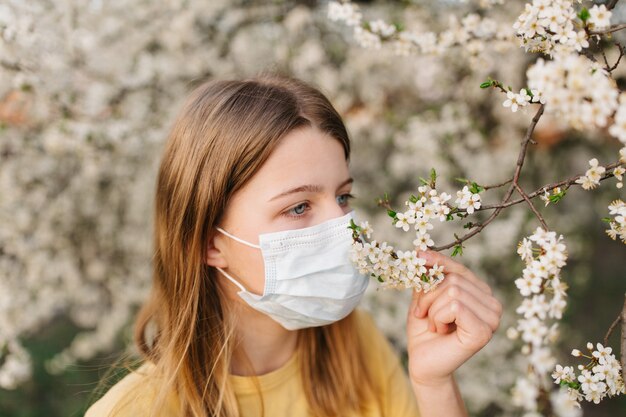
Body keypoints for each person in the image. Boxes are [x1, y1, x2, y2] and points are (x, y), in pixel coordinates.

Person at [84, 71, 503, 417]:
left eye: (342, 198)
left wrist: (434, 385)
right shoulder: (136, 410)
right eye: (299, 207)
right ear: (210, 242)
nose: (341, 229)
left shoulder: (353, 343)